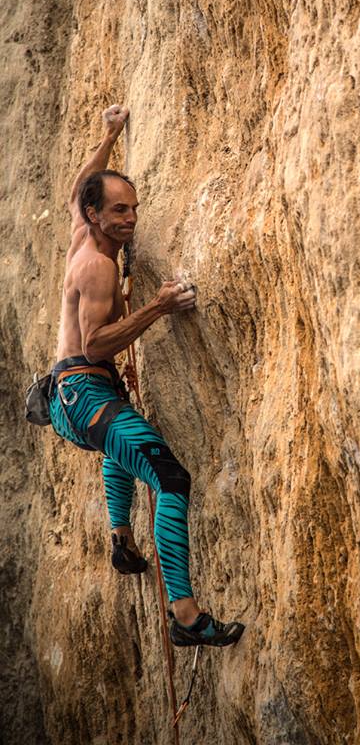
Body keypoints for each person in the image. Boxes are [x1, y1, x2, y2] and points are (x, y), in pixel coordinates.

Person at [49, 104, 244, 648]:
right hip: (84, 391)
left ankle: (120, 534)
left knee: (123, 440)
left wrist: (109, 135)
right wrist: (158, 306)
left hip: (80, 396)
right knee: (170, 479)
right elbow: (97, 342)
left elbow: (75, 191)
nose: (130, 218)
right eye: (119, 210)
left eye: (133, 207)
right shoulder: (97, 264)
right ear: (97, 215)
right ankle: (185, 616)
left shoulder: (81, 233)